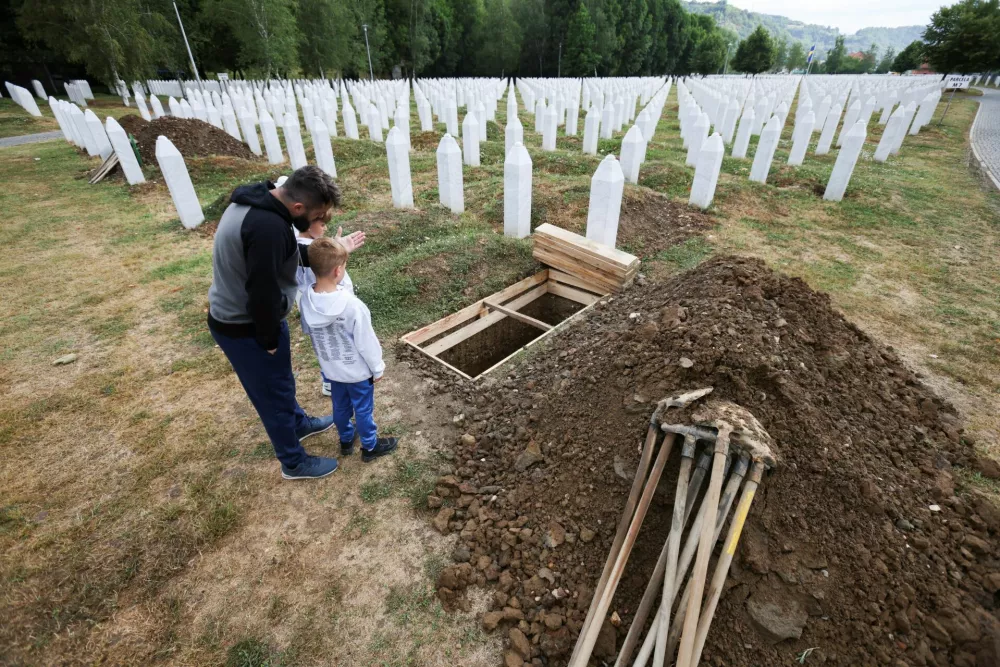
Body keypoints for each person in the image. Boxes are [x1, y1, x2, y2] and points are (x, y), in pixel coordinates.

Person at [207, 166, 365, 480]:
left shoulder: (263, 201)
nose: (321, 221)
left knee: (281, 383)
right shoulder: (267, 228)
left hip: (251, 317)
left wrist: (333, 251)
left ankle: (298, 423)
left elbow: (291, 252)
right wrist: (267, 340)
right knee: (272, 396)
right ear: (297, 208)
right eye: (318, 215)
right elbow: (261, 294)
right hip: (246, 326)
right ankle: (293, 462)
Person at [300, 237, 399, 462]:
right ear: (338, 271)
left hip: (332, 371)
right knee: (363, 410)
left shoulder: (307, 299)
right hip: (357, 374)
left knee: (340, 406)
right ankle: (370, 446)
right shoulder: (353, 306)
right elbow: (366, 342)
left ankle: (345, 439)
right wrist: (378, 368)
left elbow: (308, 329)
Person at [294, 219, 354, 397]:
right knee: (337, 346)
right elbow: (329, 279)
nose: (325, 227)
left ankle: (329, 381)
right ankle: (336, 381)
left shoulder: (300, 248)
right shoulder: (310, 253)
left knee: (324, 347)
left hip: (314, 309)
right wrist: (338, 255)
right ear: (307, 223)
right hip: (332, 308)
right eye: (321, 223)